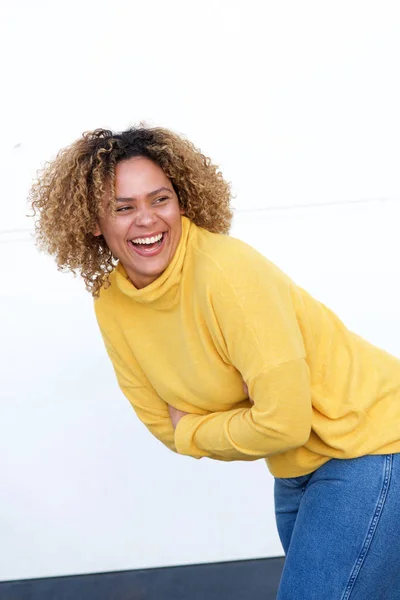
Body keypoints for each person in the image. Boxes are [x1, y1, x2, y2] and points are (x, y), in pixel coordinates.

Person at [30, 125, 400, 599]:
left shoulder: (226, 272)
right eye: (123, 207)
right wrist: (240, 422)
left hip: (372, 447)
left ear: (182, 202)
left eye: (159, 199)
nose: (146, 219)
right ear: (92, 222)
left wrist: (196, 429)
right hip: (295, 471)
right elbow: (161, 424)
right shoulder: (113, 303)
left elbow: (280, 423)